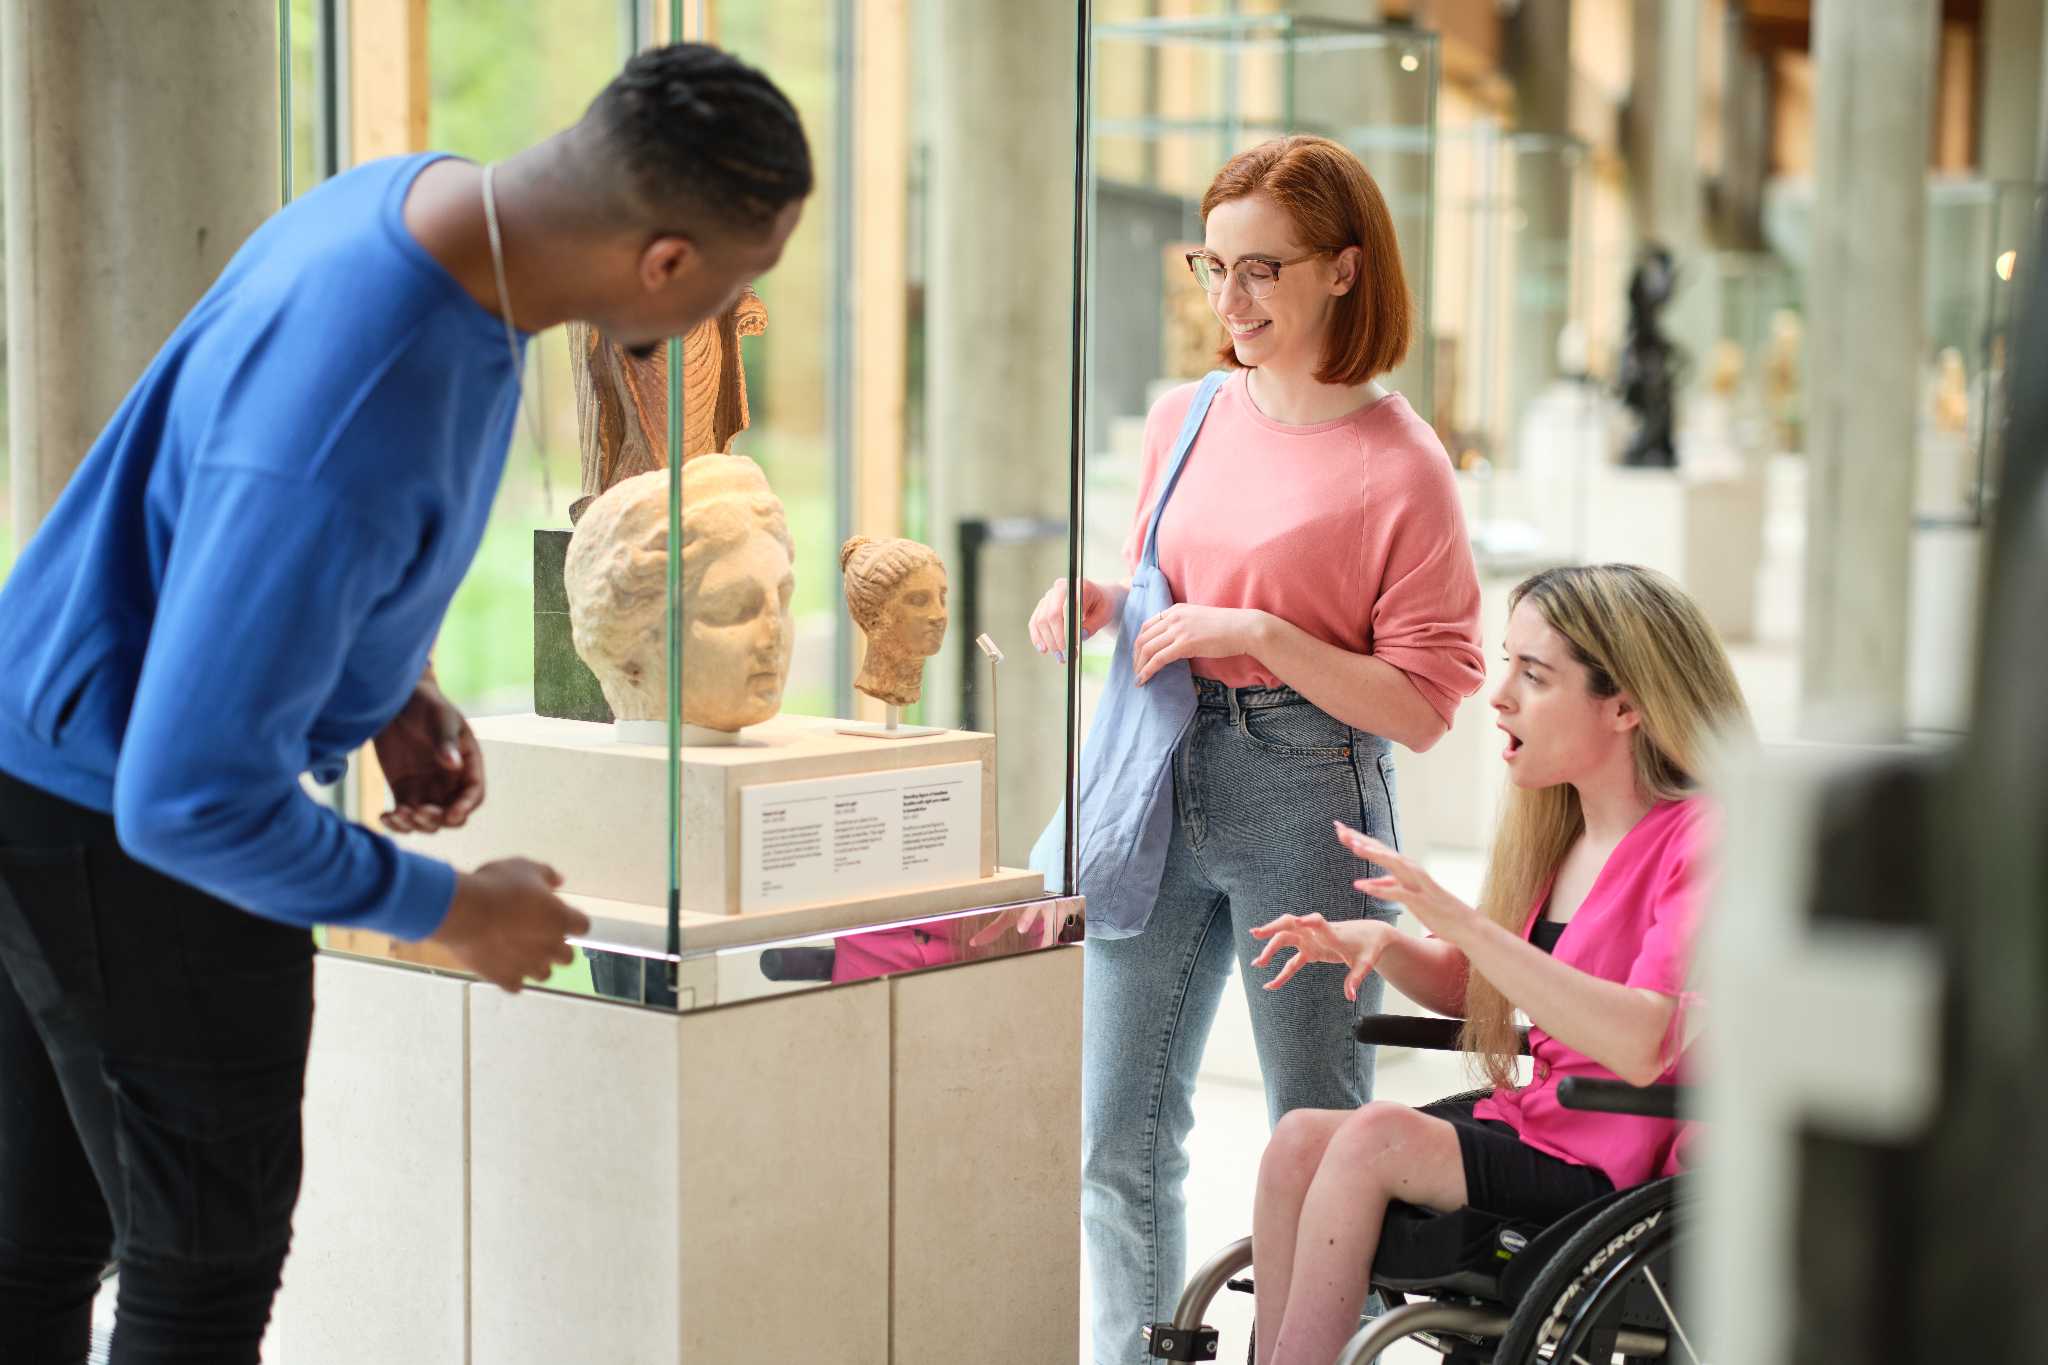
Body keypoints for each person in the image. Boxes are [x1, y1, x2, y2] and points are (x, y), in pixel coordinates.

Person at [0, 42, 811, 1363]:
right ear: (667, 262)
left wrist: (382, 679)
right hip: (126, 840)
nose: (734, 311)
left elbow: (219, 519)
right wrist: (454, 912)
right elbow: (187, 798)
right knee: (199, 1271)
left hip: (33, 758)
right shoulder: (365, 397)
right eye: (742, 279)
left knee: (36, 1248)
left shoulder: (415, 210)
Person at [1026, 135, 1484, 1364]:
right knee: (1114, 1131)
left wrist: (1264, 636)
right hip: (1162, 778)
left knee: (1319, 1132)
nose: (1226, 304)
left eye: (1259, 271)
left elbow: (1426, 704)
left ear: (1343, 269)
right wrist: (1104, 599)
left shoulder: (1404, 467)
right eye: (1210, 267)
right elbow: (1169, 583)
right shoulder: (1185, 415)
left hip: (1308, 788)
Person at [1243, 564, 1752, 1365]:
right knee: (1300, 1140)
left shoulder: (1705, 838)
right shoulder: (1562, 834)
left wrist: (1460, 920)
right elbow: (1479, 987)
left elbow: (1644, 1043)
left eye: (1534, 674)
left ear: (1625, 704)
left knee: (1374, 1133)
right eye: (1506, 663)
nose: (1499, 693)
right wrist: (1388, 941)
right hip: (1545, 1127)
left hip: (1618, 1158)